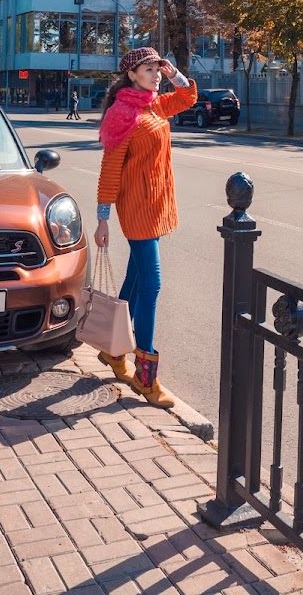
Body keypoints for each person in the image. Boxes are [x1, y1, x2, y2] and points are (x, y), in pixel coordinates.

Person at [94, 47, 196, 407]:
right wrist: (103, 218)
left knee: (135, 281)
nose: (155, 74)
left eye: (157, 68)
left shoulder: (153, 105)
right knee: (151, 285)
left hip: (155, 203)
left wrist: (173, 73)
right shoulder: (123, 113)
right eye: (149, 69)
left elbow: (187, 97)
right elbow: (110, 170)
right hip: (136, 209)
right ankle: (145, 372)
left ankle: (113, 351)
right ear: (132, 74)